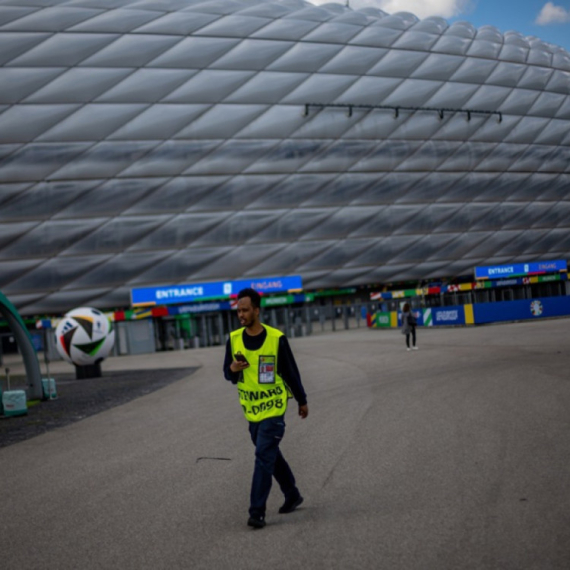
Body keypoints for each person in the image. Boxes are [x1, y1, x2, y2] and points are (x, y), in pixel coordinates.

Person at [223, 287, 308, 529]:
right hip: (252, 412)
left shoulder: (276, 338)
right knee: (270, 454)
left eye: (245, 310)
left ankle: (256, 512)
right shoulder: (234, 339)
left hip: (274, 410)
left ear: (257, 311)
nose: (241, 314)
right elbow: (227, 374)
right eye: (238, 310)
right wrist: (233, 370)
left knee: (262, 456)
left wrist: (302, 400)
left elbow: (291, 372)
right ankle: (292, 493)